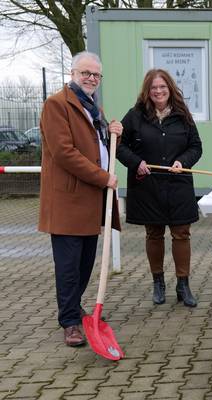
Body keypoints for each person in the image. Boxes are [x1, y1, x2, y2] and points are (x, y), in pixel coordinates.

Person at [39, 51, 122, 347]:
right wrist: (103, 178)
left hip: (89, 200)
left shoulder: (92, 107)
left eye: (96, 75)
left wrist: (114, 134)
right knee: (69, 266)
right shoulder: (57, 105)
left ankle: (74, 307)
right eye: (85, 73)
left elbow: (98, 147)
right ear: (72, 73)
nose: (91, 78)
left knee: (85, 262)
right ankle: (70, 322)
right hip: (68, 202)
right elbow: (65, 153)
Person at [117, 69, 202, 307]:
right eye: (153, 88)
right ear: (147, 91)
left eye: (162, 87)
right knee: (153, 234)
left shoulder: (183, 115)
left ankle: (183, 285)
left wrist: (182, 162)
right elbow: (119, 145)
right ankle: (158, 283)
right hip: (148, 185)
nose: (158, 91)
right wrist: (136, 163)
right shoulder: (134, 116)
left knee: (181, 234)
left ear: (170, 88)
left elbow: (196, 147)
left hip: (178, 184)